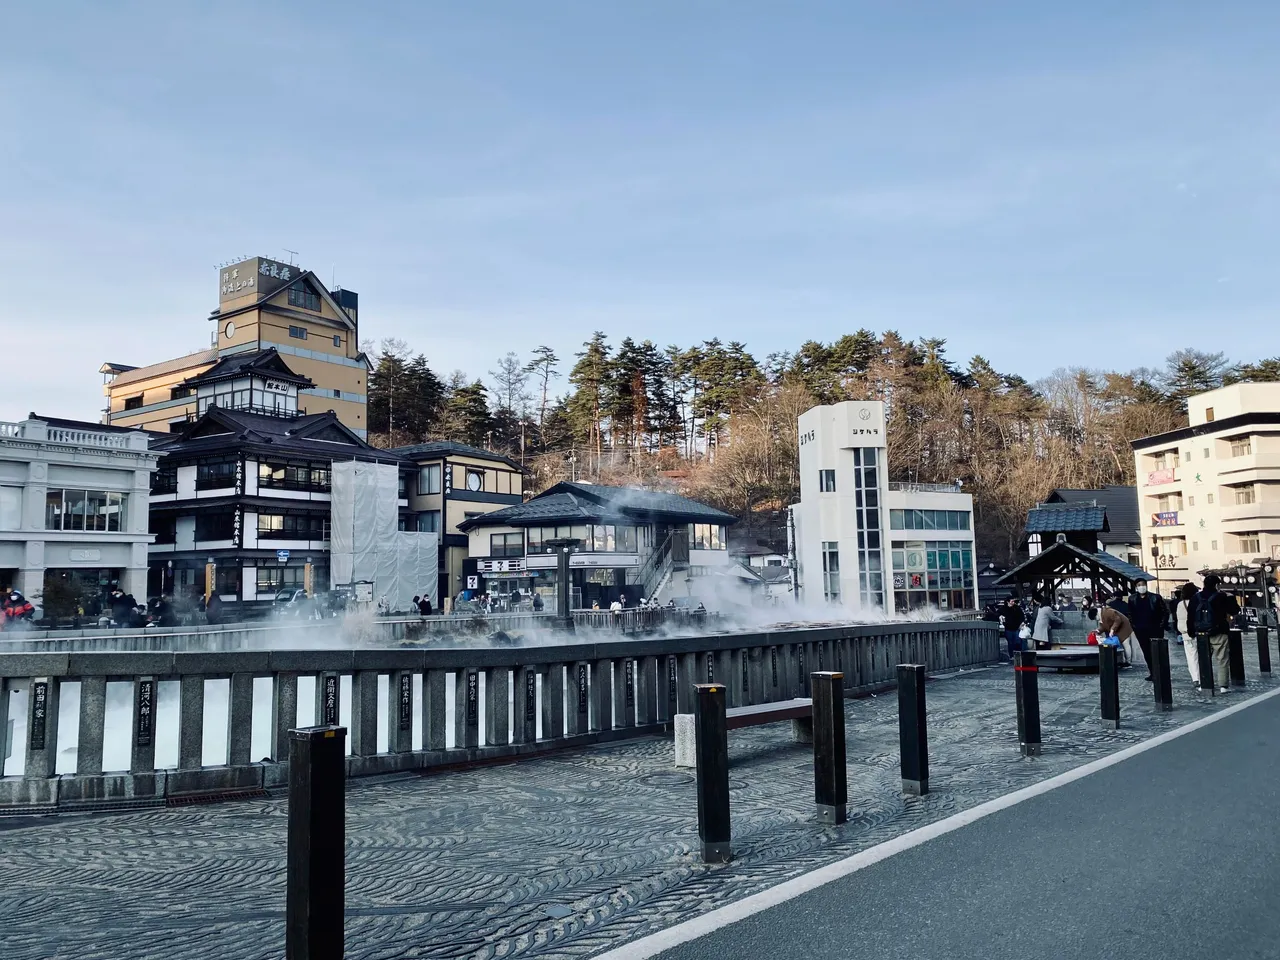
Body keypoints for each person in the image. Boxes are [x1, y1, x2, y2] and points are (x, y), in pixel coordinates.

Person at [1188, 573, 1239, 694]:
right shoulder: (1221, 596)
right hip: (1219, 632)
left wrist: (1191, 632)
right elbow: (1234, 610)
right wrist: (1231, 597)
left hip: (1201, 634)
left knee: (1203, 659)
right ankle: (1223, 686)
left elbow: (1190, 616)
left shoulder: (1196, 597)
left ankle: (1204, 684)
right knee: (1222, 659)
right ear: (1217, 585)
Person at [1127, 577, 1169, 681]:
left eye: (1143, 584)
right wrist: (1134, 626)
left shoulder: (1155, 597)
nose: (1142, 587)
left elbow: (1165, 612)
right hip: (1141, 630)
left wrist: (1161, 625)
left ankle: (1160, 673)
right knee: (1147, 652)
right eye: (1139, 585)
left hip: (1155, 629)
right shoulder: (1132, 599)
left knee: (1158, 652)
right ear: (1136, 587)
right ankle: (1152, 673)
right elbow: (1130, 614)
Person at [1174, 582, 1200, 687]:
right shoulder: (1198, 602)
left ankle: (1195, 678)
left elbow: (1179, 620)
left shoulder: (1181, 604)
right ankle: (1202, 676)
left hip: (1186, 634)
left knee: (1191, 656)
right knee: (1201, 655)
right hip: (1198, 632)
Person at [1098, 594, 1134, 665]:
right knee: (1126, 645)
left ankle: (1123, 661)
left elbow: (1115, 620)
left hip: (1119, 627)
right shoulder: (1125, 604)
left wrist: (1112, 629)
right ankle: (1128, 661)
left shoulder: (1108, 609)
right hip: (1124, 626)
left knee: (1120, 645)